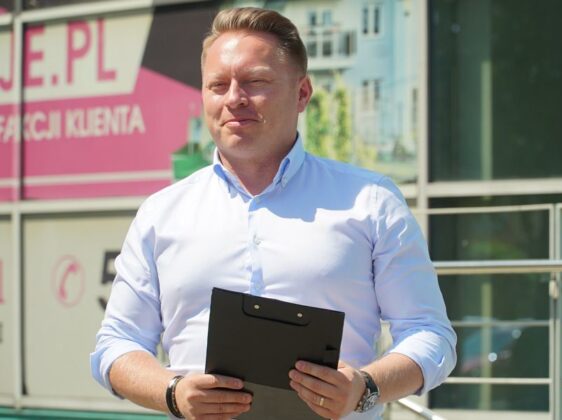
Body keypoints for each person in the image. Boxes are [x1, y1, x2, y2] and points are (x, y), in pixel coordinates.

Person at [91, 7, 456, 420]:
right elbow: (116, 344)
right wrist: (173, 393)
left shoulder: (370, 201)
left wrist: (364, 388)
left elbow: (431, 335)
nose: (234, 98)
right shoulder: (161, 214)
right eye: (218, 85)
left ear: (302, 93)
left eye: (255, 82)